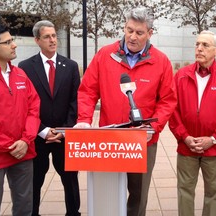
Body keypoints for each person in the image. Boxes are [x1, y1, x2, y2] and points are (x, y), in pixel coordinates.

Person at [74, 7, 177, 216]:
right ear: (124, 27)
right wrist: (84, 120)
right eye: (129, 30)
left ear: (149, 33)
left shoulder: (161, 61)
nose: (132, 36)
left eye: (139, 33)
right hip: (109, 137)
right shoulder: (105, 55)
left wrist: (153, 127)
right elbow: (87, 91)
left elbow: (167, 100)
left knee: (138, 194)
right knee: (108, 187)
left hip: (143, 138)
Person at [169, 30, 216, 216]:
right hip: (187, 146)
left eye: (205, 45)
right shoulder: (181, 75)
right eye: (197, 44)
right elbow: (172, 109)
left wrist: (214, 139)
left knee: (214, 194)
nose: (199, 48)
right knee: (184, 191)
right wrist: (184, 137)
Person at [18, 20, 81, 216]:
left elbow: (75, 101)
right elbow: (25, 105)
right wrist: (43, 130)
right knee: (35, 180)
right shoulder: (25, 67)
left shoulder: (71, 66)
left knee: (70, 180)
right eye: (47, 37)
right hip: (38, 136)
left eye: (54, 36)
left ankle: (73, 213)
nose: (53, 40)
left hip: (65, 136)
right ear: (37, 40)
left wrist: (63, 130)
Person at [0, 24, 40, 216]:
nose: (14, 45)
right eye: (8, 42)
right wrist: (10, 145)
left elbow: (34, 108)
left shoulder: (20, 74)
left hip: (23, 153)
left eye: (13, 40)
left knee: (24, 207)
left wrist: (25, 140)